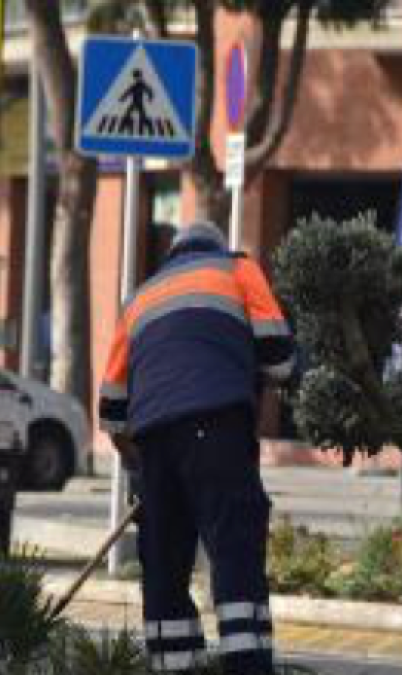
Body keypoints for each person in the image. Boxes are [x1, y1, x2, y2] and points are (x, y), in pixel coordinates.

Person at [99, 221, 295, 675]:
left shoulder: (139, 298)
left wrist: (141, 471)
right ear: (216, 246)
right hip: (217, 427)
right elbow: (280, 358)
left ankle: (175, 665)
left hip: (152, 440)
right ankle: (246, 666)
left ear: (173, 254)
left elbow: (111, 410)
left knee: (164, 567)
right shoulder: (238, 270)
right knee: (234, 551)